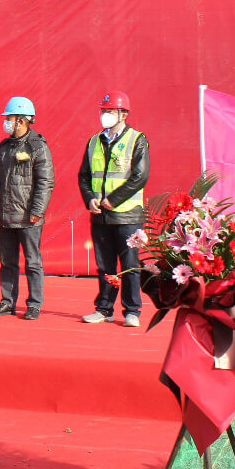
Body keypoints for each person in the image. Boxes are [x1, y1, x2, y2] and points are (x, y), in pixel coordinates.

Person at [78, 90, 150, 328]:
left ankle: (132, 311)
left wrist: (113, 200)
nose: (105, 115)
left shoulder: (137, 140)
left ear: (124, 114)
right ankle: (104, 309)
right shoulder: (94, 141)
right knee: (105, 267)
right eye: (103, 110)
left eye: (110, 111)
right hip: (100, 216)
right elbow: (84, 176)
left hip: (127, 215)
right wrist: (90, 199)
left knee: (130, 266)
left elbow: (139, 177)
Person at [0, 97, 54, 320]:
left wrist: (37, 211)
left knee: (33, 262)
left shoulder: (38, 147)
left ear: (22, 120)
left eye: (10, 118)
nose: (6, 122)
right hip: (6, 214)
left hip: (28, 217)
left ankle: (34, 304)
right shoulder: (4, 147)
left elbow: (45, 182)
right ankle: (7, 302)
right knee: (7, 262)